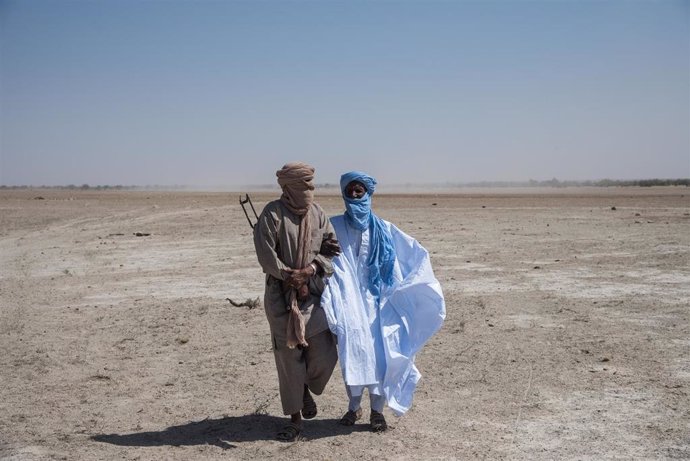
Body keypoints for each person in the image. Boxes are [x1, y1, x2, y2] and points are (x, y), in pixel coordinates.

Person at [321, 171, 445, 432]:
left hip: (380, 304)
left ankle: (377, 412)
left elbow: (416, 255)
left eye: (360, 191)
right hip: (348, 303)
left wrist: (406, 290)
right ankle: (353, 407)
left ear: (368, 193)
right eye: (350, 191)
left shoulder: (386, 229)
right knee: (352, 353)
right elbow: (315, 252)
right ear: (343, 193)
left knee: (381, 357)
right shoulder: (332, 228)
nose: (355, 195)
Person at [253, 162, 341, 441]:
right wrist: (289, 276)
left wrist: (310, 271)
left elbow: (332, 250)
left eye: (312, 186)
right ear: (289, 187)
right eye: (304, 186)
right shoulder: (272, 214)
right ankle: (295, 419)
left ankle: (305, 387)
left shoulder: (317, 214)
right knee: (288, 356)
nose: (309, 191)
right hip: (281, 298)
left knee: (325, 352)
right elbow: (266, 255)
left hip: (313, 293)